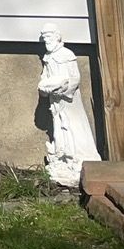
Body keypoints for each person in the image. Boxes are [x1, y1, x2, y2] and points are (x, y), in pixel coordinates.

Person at [37, 25, 100, 187]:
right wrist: (45, 87)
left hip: (68, 100)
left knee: (73, 126)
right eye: (44, 37)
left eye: (49, 36)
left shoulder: (67, 55)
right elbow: (45, 76)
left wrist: (64, 90)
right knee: (59, 128)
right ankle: (63, 157)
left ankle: (79, 157)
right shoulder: (48, 57)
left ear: (57, 36)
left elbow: (74, 78)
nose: (46, 40)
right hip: (55, 101)